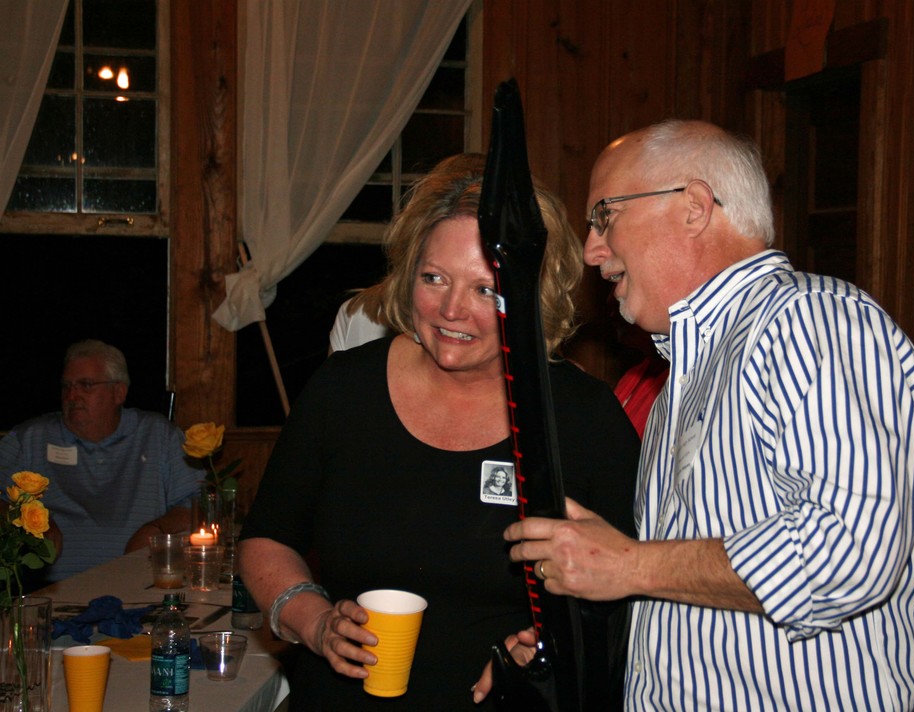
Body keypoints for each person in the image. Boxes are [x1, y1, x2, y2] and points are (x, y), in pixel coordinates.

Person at [492, 120, 914, 710]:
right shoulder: (685, 379)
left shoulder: (807, 319)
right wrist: (573, 644)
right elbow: (687, 603)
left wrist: (630, 565)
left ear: (694, 206)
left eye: (605, 216)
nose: (592, 250)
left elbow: (848, 551)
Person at [238, 153, 639, 710]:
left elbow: (632, 594)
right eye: (434, 278)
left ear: (533, 293)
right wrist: (314, 620)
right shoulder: (344, 390)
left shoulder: (583, 418)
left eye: (485, 290)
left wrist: (553, 649)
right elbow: (266, 538)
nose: (452, 309)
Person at [0, 339, 202, 581]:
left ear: (119, 392)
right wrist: (30, 520)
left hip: (139, 582)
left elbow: (196, 503)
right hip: (53, 588)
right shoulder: (30, 439)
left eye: (85, 385)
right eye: (66, 386)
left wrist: (156, 530)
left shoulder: (158, 434)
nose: (72, 395)